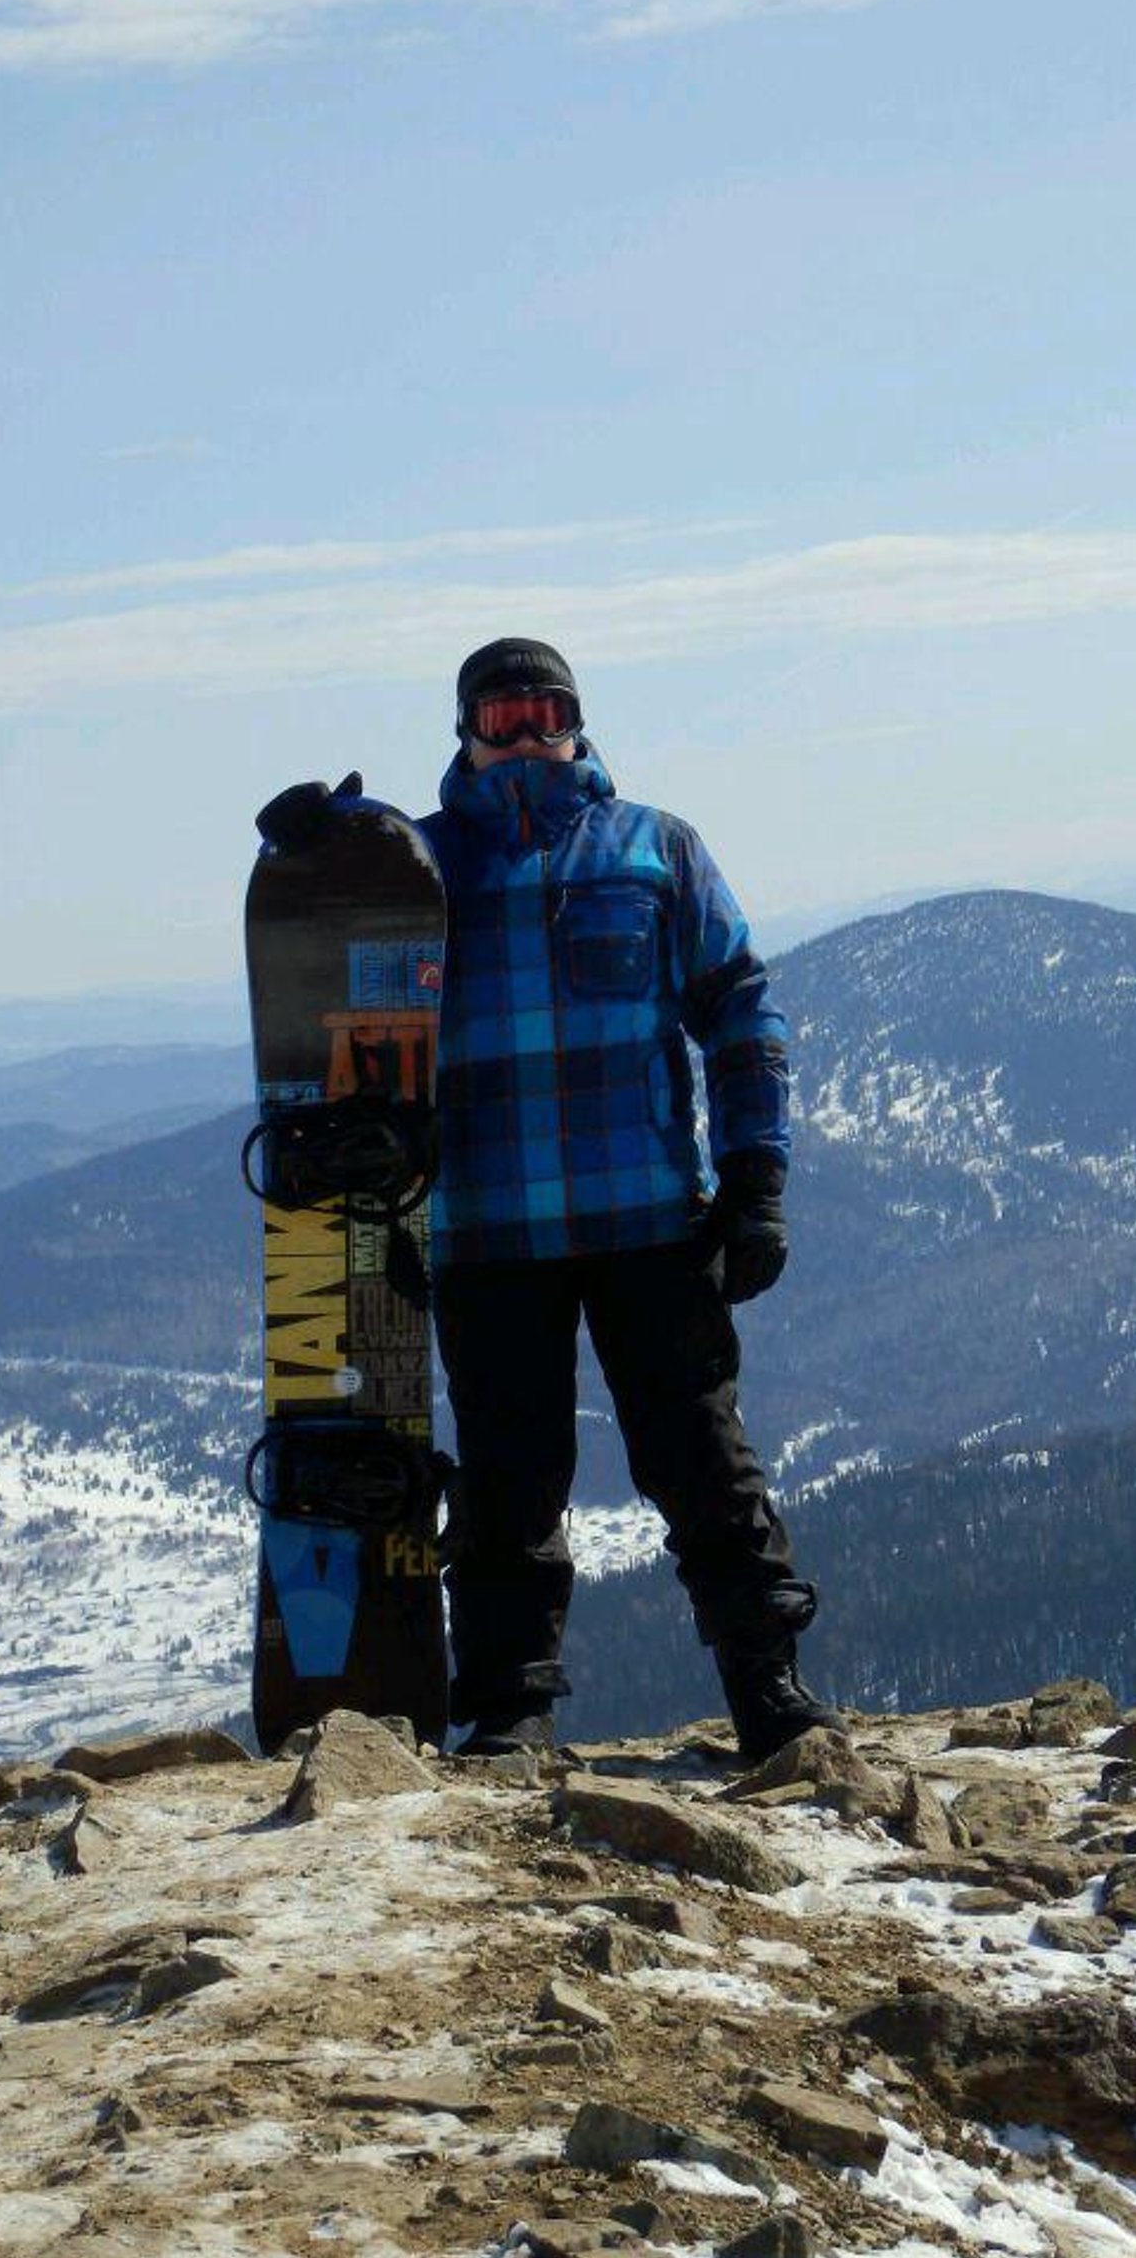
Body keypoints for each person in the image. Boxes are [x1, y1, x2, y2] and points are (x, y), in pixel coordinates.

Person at [260, 636, 836, 1761]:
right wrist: (312, 855)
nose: (526, 733)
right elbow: (341, 932)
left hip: (651, 1226)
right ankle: (510, 1710)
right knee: (508, 1488)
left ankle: (771, 1694)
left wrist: (757, 1176)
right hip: (489, 1234)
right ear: (465, 731)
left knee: (702, 1464)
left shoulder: (653, 849)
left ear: (579, 720)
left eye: (545, 710)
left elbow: (740, 1010)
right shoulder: (420, 869)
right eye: (501, 714)